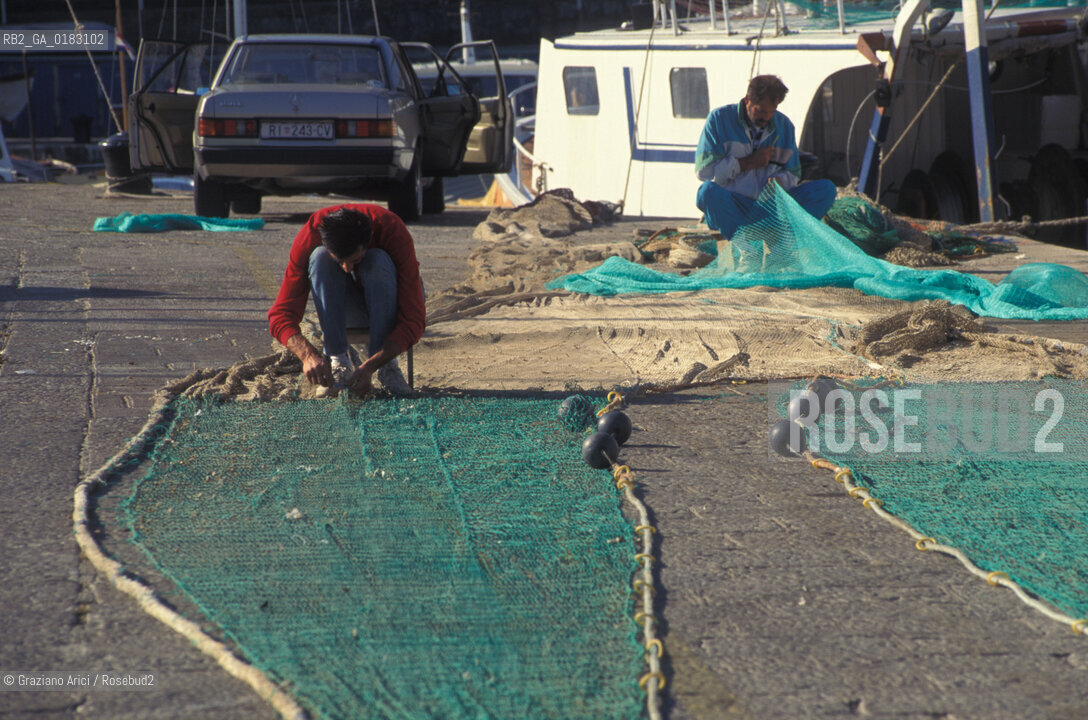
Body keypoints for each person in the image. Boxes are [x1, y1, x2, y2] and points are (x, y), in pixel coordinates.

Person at [268, 204, 424, 396]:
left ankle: (388, 368)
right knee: (319, 257)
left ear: (368, 239)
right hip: (345, 311)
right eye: (339, 262)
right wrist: (308, 355)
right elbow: (280, 316)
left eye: (355, 261)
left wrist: (372, 365)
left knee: (377, 259)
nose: (347, 269)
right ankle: (339, 362)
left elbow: (414, 319)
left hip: (389, 305)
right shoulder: (311, 235)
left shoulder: (392, 229)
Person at [695, 75, 836, 241]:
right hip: (735, 206)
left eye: (772, 111)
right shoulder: (719, 120)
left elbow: (793, 174)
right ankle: (743, 244)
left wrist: (781, 181)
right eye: (760, 111)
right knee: (706, 192)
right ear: (747, 100)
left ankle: (783, 241)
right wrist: (746, 163)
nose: (766, 117)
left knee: (826, 190)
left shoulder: (784, 126)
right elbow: (704, 172)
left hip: (771, 207)